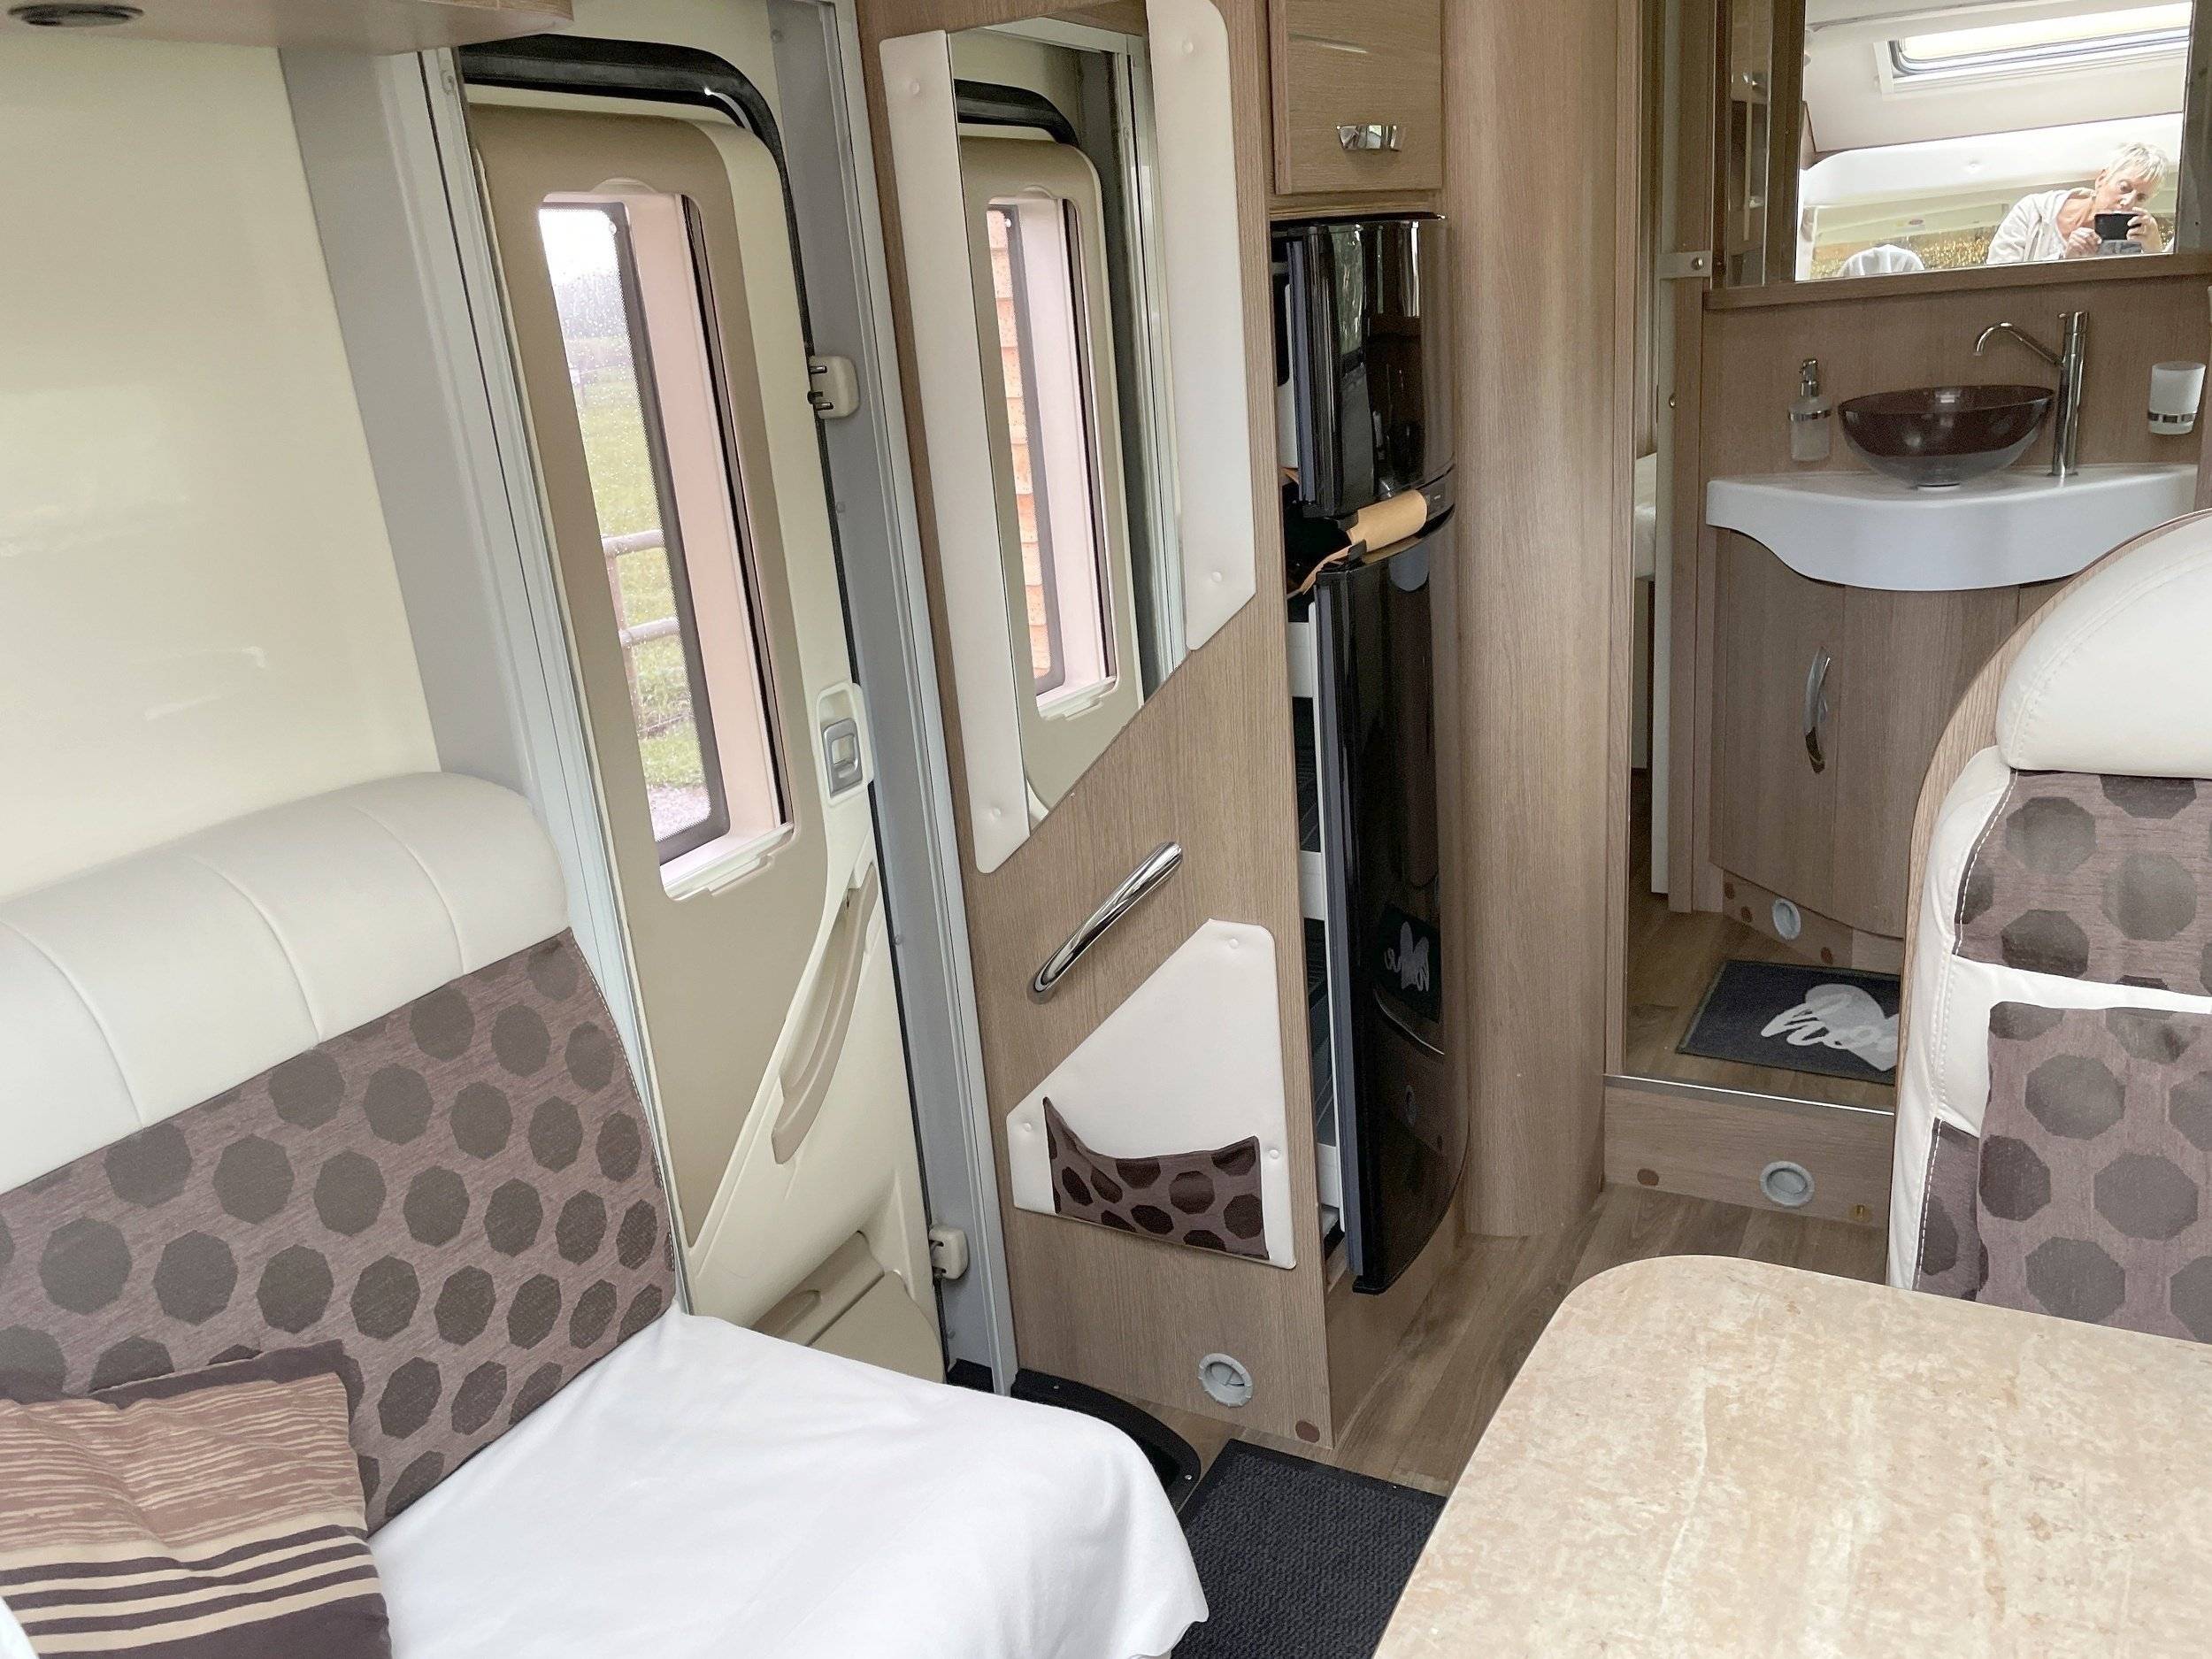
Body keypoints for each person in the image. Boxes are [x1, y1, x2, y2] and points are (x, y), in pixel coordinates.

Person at [1985, 142, 2170, 264]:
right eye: (2124, 188)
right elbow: (1999, 279)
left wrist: (2155, 253)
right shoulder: (2032, 211)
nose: (2128, 202)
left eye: (2141, 198)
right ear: (2101, 179)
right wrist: (2064, 260)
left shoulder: (2131, 245)